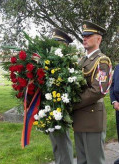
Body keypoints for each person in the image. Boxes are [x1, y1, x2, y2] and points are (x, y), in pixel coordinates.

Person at [73, 21, 111, 164]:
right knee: (81, 159)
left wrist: (73, 103)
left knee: (94, 160)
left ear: (98, 39)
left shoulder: (102, 61)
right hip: (79, 117)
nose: (84, 38)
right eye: (83, 36)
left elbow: (98, 91)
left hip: (92, 117)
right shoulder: (83, 60)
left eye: (88, 35)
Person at [50, 28, 74, 164]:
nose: (53, 46)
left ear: (64, 45)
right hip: (50, 106)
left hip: (62, 108)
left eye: (57, 43)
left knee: (63, 142)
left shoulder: (67, 62)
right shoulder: (52, 61)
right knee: (55, 142)